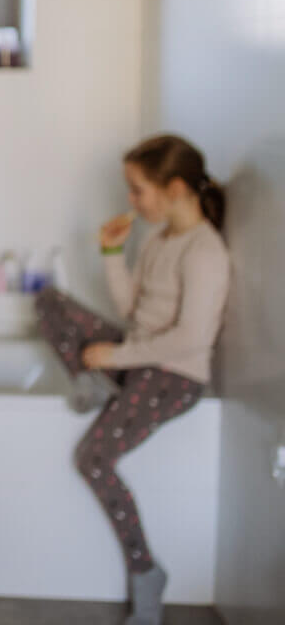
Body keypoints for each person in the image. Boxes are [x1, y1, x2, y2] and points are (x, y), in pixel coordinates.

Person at [35, 134, 231, 625]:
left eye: (138, 189)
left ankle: (146, 572)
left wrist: (117, 355)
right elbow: (133, 312)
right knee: (47, 299)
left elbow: (189, 339)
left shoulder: (205, 253)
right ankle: (94, 380)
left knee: (93, 459)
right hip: (140, 357)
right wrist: (111, 253)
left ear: (177, 188)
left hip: (174, 375)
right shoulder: (160, 239)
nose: (132, 200)